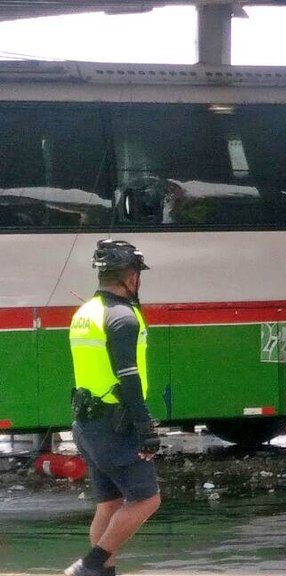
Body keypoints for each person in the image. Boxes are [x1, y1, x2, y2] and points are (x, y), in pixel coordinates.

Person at [65, 239, 161, 576]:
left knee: (109, 504)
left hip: (87, 424)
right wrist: (146, 427)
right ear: (132, 277)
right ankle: (88, 566)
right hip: (113, 425)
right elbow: (128, 378)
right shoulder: (122, 317)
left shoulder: (85, 313)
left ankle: (100, 572)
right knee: (147, 499)